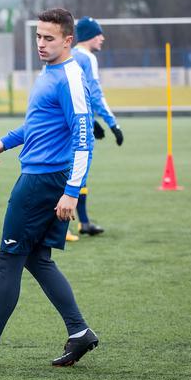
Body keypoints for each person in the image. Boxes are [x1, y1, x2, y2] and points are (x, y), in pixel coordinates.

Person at [0, 8, 99, 367]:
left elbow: (83, 139)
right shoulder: (51, 71)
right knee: (37, 258)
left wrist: (72, 191)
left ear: (68, 40)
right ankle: (79, 333)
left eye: (49, 38)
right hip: (45, 176)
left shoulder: (70, 79)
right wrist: (5, 141)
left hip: (43, 180)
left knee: (9, 257)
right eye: (38, 37)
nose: (41, 44)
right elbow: (40, 124)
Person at [71, 16, 124, 236]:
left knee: (77, 171)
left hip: (72, 120)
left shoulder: (70, 55)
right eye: (98, 33)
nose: (102, 38)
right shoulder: (87, 57)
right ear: (88, 36)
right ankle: (57, 227)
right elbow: (94, 93)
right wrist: (113, 124)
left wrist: (92, 121)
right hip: (76, 125)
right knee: (73, 172)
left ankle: (83, 222)